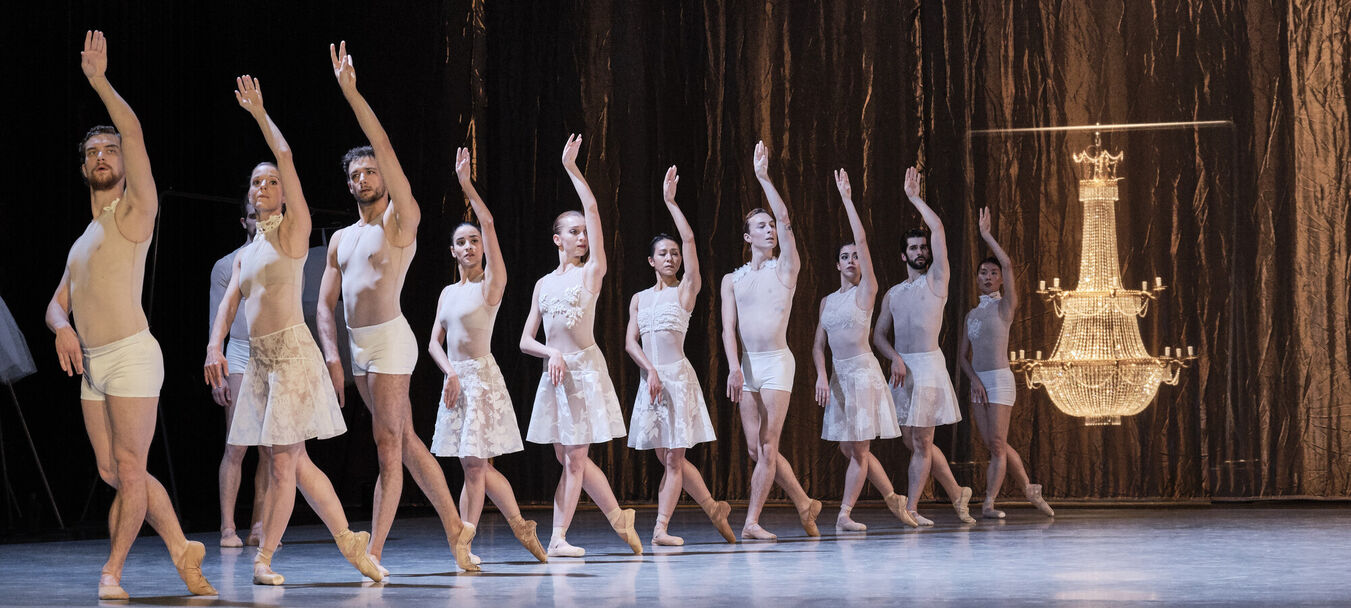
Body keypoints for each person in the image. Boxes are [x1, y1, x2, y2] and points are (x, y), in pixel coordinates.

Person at [46, 31, 215, 600]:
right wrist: (62, 327)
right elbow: (55, 303)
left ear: (122, 164)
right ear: (83, 168)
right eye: (93, 153)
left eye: (109, 151)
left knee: (129, 462)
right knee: (116, 474)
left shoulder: (134, 214)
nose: (102, 158)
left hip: (132, 356)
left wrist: (98, 81)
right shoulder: (81, 242)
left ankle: (111, 571)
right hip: (92, 364)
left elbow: (136, 132)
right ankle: (180, 548)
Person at [205, 74, 382, 586]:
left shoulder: (294, 231)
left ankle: (264, 560)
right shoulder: (248, 252)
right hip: (256, 359)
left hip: (289, 356)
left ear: (283, 193)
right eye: (256, 183)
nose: (264, 187)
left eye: (271, 182)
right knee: (295, 462)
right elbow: (231, 301)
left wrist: (261, 115)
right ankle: (351, 543)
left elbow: (286, 159)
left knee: (284, 463)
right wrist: (214, 344)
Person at [315, 42, 476, 575]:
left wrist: (351, 93)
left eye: (370, 171)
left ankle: (375, 552)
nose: (363, 178)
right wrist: (333, 358)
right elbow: (324, 304)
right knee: (405, 442)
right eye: (355, 175)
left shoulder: (399, 222)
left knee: (388, 446)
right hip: (358, 348)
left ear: (383, 176)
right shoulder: (340, 238)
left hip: (389, 340)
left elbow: (382, 143)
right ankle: (456, 529)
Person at [521, 134, 641, 557]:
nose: (582, 237)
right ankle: (617, 516)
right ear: (557, 239)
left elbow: (593, 210)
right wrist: (550, 352)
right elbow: (524, 340)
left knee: (574, 457)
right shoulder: (543, 284)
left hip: (585, 371)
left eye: (583, 232)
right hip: (556, 372)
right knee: (567, 458)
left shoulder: (592, 273)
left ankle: (557, 538)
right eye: (573, 232)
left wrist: (573, 169)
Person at [428, 147, 548, 563]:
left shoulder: (489, 287)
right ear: (453, 251)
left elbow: (491, 222)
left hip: (481, 378)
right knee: (475, 468)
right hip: (457, 381)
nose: (469, 246)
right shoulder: (447, 293)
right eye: (461, 242)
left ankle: (464, 543)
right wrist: (449, 374)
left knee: (475, 467)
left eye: (474, 241)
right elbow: (433, 343)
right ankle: (520, 526)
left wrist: (466, 184)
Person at [625, 166, 735, 546]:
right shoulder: (640, 298)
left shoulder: (686, 290)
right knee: (665, 458)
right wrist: (649, 370)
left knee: (674, 459)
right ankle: (712, 506)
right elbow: (629, 343)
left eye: (674, 253)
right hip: (651, 380)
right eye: (663, 254)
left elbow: (689, 239)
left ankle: (660, 529)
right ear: (651, 261)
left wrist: (671, 202)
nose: (671, 257)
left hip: (678, 380)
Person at [720, 141, 821, 540]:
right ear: (747, 237)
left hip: (778, 361)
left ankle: (751, 523)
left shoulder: (787, 268)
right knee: (754, 450)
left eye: (771, 226)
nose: (770, 230)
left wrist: (764, 177)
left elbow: (785, 218)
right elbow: (727, 328)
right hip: (746, 364)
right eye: (760, 226)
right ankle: (803, 502)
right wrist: (732, 367)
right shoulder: (733, 279)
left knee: (768, 444)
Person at [810, 169, 918, 531]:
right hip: (839, 378)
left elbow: (863, 239)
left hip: (862, 374)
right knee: (849, 449)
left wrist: (847, 200)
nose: (853, 259)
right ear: (838, 263)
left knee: (858, 450)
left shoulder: (866, 291)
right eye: (846, 256)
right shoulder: (827, 301)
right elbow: (817, 345)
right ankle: (893, 498)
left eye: (857, 256)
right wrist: (822, 376)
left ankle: (843, 514)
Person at [873, 167, 975, 526]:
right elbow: (878, 336)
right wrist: (894, 357)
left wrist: (915, 198)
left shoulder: (937, 280)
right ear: (903, 256)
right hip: (904, 371)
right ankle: (957, 491)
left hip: (929, 367)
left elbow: (940, 231)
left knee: (921, 443)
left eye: (923, 247)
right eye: (913, 248)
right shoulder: (893, 294)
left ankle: (912, 508)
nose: (920, 251)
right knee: (913, 442)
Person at [956, 207, 1055, 519]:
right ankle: (1028, 487)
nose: (987, 277)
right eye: (983, 273)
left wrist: (987, 236)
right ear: (977, 278)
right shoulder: (972, 315)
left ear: (1000, 279)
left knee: (998, 444)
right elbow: (961, 356)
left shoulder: (1005, 308)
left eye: (993, 273)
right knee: (993, 443)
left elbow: (1011, 265)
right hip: (978, 381)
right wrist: (973, 379)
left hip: (999, 379)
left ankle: (988, 503)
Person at [209, 200, 272, 547]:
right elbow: (217, 317)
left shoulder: (281, 258)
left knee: (269, 447)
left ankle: (260, 525)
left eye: (262, 214)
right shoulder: (225, 265)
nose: (257, 219)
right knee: (236, 444)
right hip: (239, 351)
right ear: (243, 221)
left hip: (272, 352)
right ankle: (227, 527)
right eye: (252, 214)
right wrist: (217, 370)